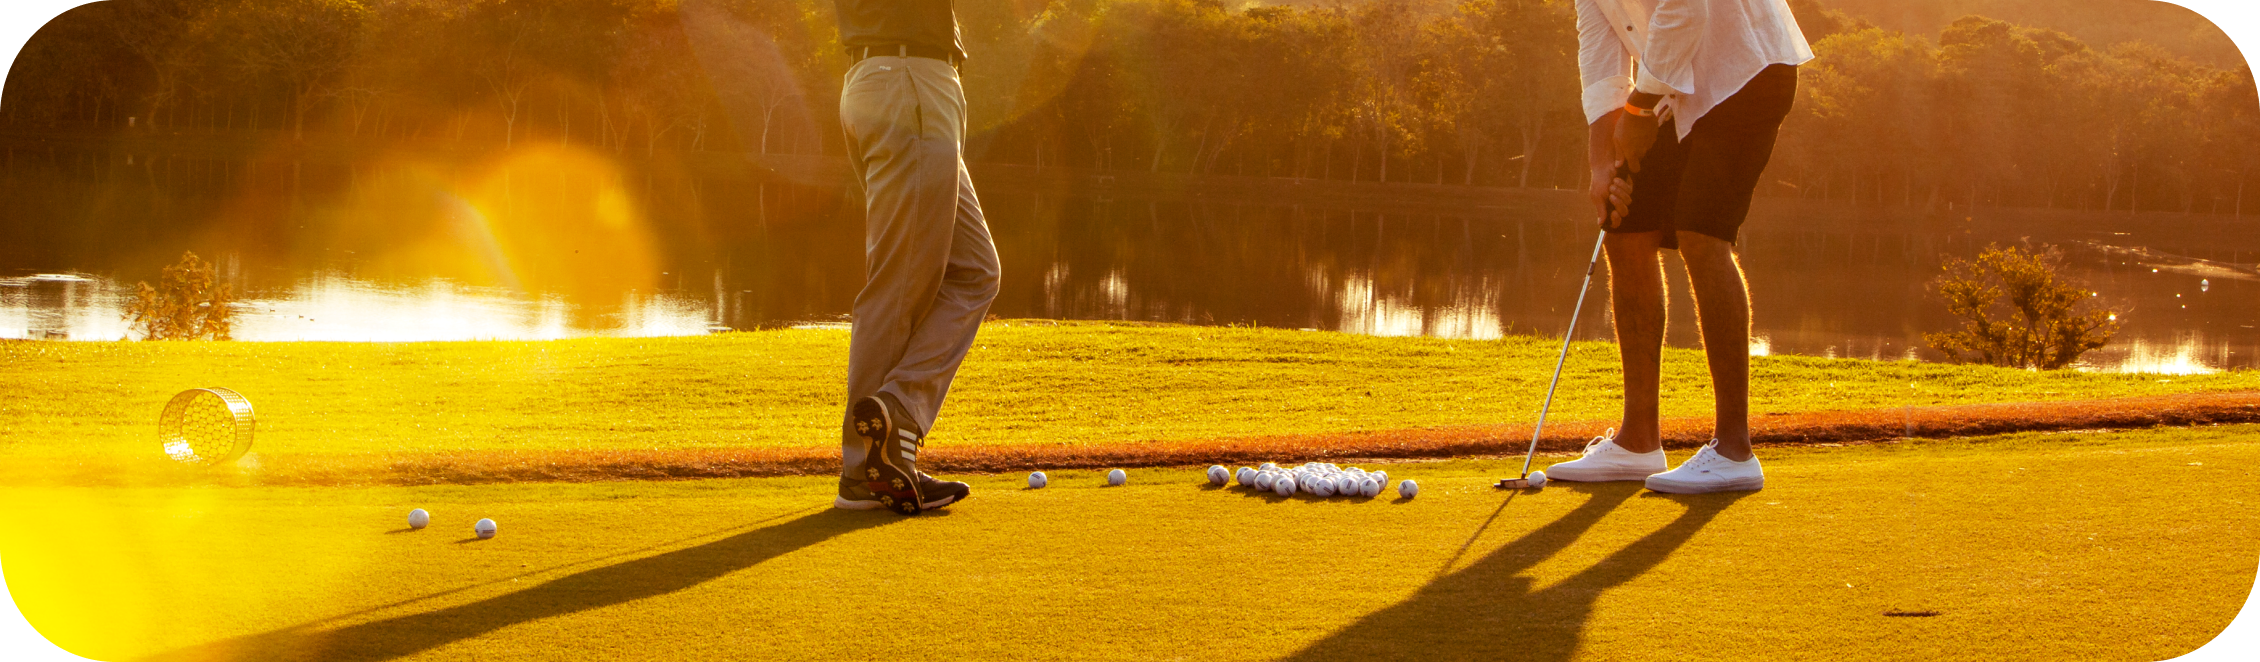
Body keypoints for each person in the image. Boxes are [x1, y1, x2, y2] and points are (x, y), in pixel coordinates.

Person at [1541, 0, 1810, 493]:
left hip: (1748, 69)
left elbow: (1687, 9)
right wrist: (1601, 163)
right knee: (1626, 230)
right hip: (1673, 85)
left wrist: (1640, 108)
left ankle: (1735, 451)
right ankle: (1638, 441)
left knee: (1701, 235)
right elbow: (1600, 57)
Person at [829, 0, 999, 514]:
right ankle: (867, 467)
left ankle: (891, 424)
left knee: (975, 271)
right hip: (912, 86)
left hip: (891, 84)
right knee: (898, 282)